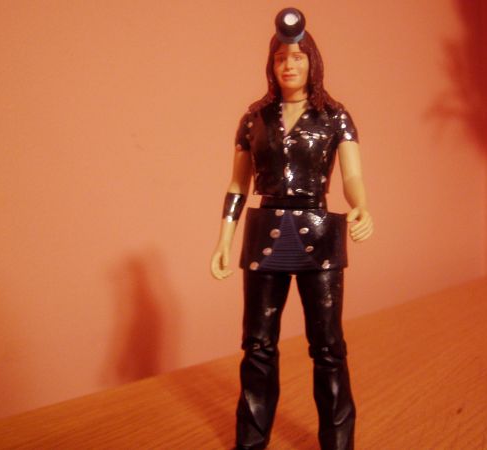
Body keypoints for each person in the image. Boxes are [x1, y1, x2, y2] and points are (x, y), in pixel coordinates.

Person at [211, 8, 373, 450]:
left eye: (297, 57)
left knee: (328, 346)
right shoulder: (254, 118)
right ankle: (250, 442)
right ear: (271, 63)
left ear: (312, 62)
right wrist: (224, 239)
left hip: (319, 234)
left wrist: (361, 205)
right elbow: (237, 185)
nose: (289, 65)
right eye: (281, 57)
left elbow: (352, 174)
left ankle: (337, 443)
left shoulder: (335, 116)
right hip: (265, 235)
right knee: (258, 347)